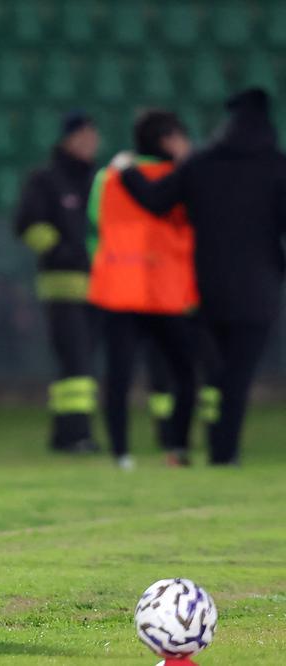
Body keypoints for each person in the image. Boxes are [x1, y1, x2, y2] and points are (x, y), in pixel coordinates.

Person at [113, 88, 286, 465]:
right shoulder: (277, 166)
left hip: (205, 287)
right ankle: (224, 452)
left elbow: (156, 201)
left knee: (214, 372)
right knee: (237, 377)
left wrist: (127, 171)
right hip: (259, 289)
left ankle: (195, 444)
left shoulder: (201, 163)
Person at [87, 110, 199, 469]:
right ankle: (177, 447)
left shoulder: (107, 177)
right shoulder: (182, 177)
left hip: (119, 286)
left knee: (118, 377)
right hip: (166, 289)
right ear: (170, 139)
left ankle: (121, 453)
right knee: (185, 374)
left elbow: (94, 221)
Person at [14, 111, 102, 454]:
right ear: (68, 139)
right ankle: (77, 435)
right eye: (83, 136)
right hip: (63, 286)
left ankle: (66, 434)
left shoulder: (97, 179)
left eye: (92, 136)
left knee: (79, 366)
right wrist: (65, 253)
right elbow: (28, 224)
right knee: (76, 364)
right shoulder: (47, 180)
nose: (90, 142)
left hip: (99, 286)